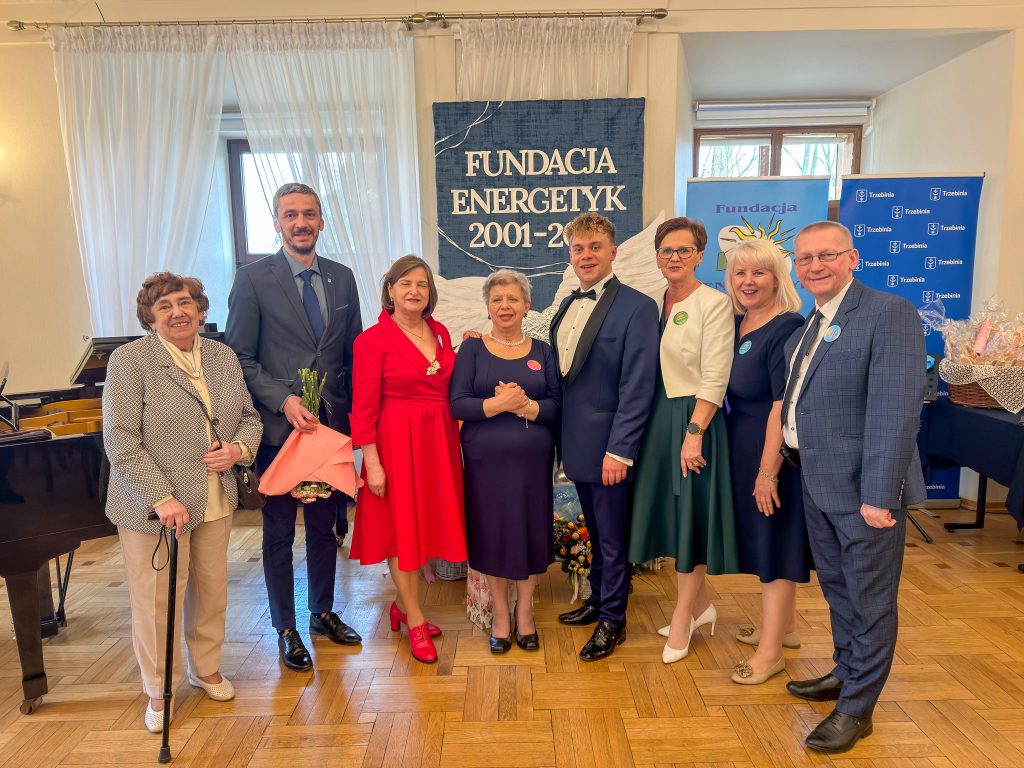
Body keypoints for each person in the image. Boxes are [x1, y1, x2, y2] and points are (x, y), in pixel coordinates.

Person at [782, 221, 926, 753]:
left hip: (865, 492)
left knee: (870, 600)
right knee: (839, 590)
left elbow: (895, 410)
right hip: (817, 482)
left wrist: (879, 495)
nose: (815, 266)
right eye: (805, 258)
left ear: (852, 258)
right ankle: (847, 672)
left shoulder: (889, 313)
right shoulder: (812, 322)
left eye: (827, 255)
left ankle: (857, 709)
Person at [103, 273, 262, 733]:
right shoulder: (130, 361)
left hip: (215, 497)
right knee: (157, 601)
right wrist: (160, 497)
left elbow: (249, 417)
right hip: (153, 507)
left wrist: (237, 450)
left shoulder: (222, 355)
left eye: (186, 302)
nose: (178, 312)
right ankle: (159, 687)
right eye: (165, 306)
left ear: (200, 309)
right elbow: (120, 439)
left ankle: (205, 668)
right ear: (150, 317)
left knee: (211, 589)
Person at [226, 182, 363, 672]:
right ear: (277, 223)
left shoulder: (343, 278)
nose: (300, 223)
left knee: (325, 529)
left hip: (329, 429)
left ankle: (322, 612)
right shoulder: (252, 279)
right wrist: (283, 401)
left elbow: (352, 353)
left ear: (321, 220)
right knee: (280, 533)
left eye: (309, 214)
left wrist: (356, 420)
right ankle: (285, 627)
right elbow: (239, 356)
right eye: (290, 215)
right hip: (279, 431)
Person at [627, 217, 738, 665]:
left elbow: (716, 373)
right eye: (666, 250)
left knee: (690, 517)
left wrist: (694, 433)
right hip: (656, 417)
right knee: (674, 517)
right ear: (657, 257)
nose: (674, 258)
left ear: (700, 255)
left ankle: (680, 617)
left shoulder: (715, 303)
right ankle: (701, 607)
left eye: (684, 250)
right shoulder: (652, 302)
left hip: (694, 419)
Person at [550, 213, 659, 662]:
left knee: (614, 538)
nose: (586, 255)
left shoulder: (638, 306)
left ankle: (614, 619)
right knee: (595, 532)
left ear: (613, 251)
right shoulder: (565, 305)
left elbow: (639, 384)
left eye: (595, 247)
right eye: (578, 248)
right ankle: (597, 600)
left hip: (611, 449)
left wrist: (621, 449)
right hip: (576, 445)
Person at [349, 255, 467, 664]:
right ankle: (415, 619)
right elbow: (363, 408)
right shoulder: (370, 341)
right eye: (405, 283)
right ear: (390, 290)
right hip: (396, 444)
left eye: (421, 284)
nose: (414, 291)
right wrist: (372, 463)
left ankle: (402, 607)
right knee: (401, 531)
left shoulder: (442, 332)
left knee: (426, 525)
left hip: (438, 442)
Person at [451, 269, 561, 653]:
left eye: (513, 298)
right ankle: (500, 613)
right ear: (487, 307)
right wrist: (499, 403)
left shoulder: (543, 352)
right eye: (497, 299)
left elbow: (556, 405)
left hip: (533, 466)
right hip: (486, 466)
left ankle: (525, 612)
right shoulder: (472, 349)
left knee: (529, 535)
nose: (505, 305)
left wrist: (525, 406)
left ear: (527, 305)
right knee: (494, 537)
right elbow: (458, 403)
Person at [723, 239, 810, 685]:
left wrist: (766, 472)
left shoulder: (787, 326)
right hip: (743, 445)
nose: (748, 281)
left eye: (758, 272)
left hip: (771, 452)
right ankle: (785, 629)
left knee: (774, 545)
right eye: (740, 273)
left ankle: (770, 653)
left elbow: (782, 405)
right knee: (768, 539)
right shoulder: (739, 321)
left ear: (778, 278)